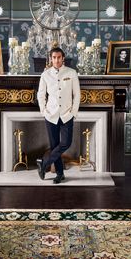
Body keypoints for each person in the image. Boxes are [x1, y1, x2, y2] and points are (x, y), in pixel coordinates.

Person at [37, 47, 80, 184]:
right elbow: (41, 95)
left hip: (67, 114)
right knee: (54, 144)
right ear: (51, 58)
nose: (56, 60)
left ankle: (44, 163)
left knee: (66, 143)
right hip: (51, 115)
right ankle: (59, 174)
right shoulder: (45, 75)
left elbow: (77, 94)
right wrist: (44, 111)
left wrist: (73, 112)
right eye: (54, 57)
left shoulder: (72, 73)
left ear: (63, 58)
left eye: (58, 57)